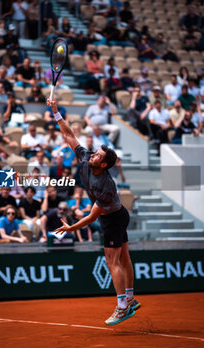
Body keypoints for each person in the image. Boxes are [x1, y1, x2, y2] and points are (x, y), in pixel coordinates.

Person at [47, 98, 140, 326]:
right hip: (119, 215)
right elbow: (69, 136)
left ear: (104, 165)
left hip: (112, 219)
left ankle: (121, 307)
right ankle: (130, 297)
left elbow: (91, 217)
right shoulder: (87, 158)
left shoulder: (105, 187)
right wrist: (57, 112)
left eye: (97, 155)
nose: (92, 155)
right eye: (94, 152)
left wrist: (70, 227)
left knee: (112, 262)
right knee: (124, 257)